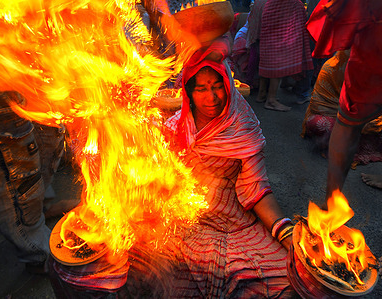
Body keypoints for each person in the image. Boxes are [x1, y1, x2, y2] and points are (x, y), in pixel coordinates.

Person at [49, 41, 297, 298]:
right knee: (125, 265)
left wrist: (284, 231)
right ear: (188, 93)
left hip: (229, 220)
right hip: (181, 219)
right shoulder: (175, 126)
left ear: (228, 87)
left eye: (217, 87)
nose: (211, 98)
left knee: (281, 276)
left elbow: (257, 188)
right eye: (201, 89)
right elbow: (152, 174)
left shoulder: (241, 126)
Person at [0, 78, 66, 274]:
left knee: (49, 129)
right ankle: (36, 250)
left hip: (30, 58)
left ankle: (37, 208)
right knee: (11, 164)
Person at [306, 0, 382, 202]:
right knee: (341, 124)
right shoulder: (333, 67)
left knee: (349, 125)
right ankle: (332, 202)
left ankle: (332, 203)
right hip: (373, 37)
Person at [301, 50, 382, 166]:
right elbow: (318, 105)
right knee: (317, 123)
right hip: (335, 118)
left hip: (359, 121)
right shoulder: (330, 69)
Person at [258, 0, 313, 111]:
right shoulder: (292, 4)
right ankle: (271, 100)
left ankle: (262, 94)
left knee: (269, 57)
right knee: (278, 59)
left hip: (271, 10)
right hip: (284, 10)